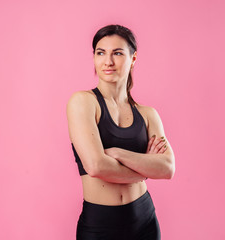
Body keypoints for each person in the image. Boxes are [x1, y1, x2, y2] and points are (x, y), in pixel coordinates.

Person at [66, 24, 175, 240]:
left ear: (133, 59)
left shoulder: (147, 114)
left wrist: (118, 153)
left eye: (117, 53)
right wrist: (145, 170)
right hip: (99, 224)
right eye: (101, 53)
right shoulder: (83, 102)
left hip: (145, 220)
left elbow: (167, 168)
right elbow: (96, 166)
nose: (108, 61)